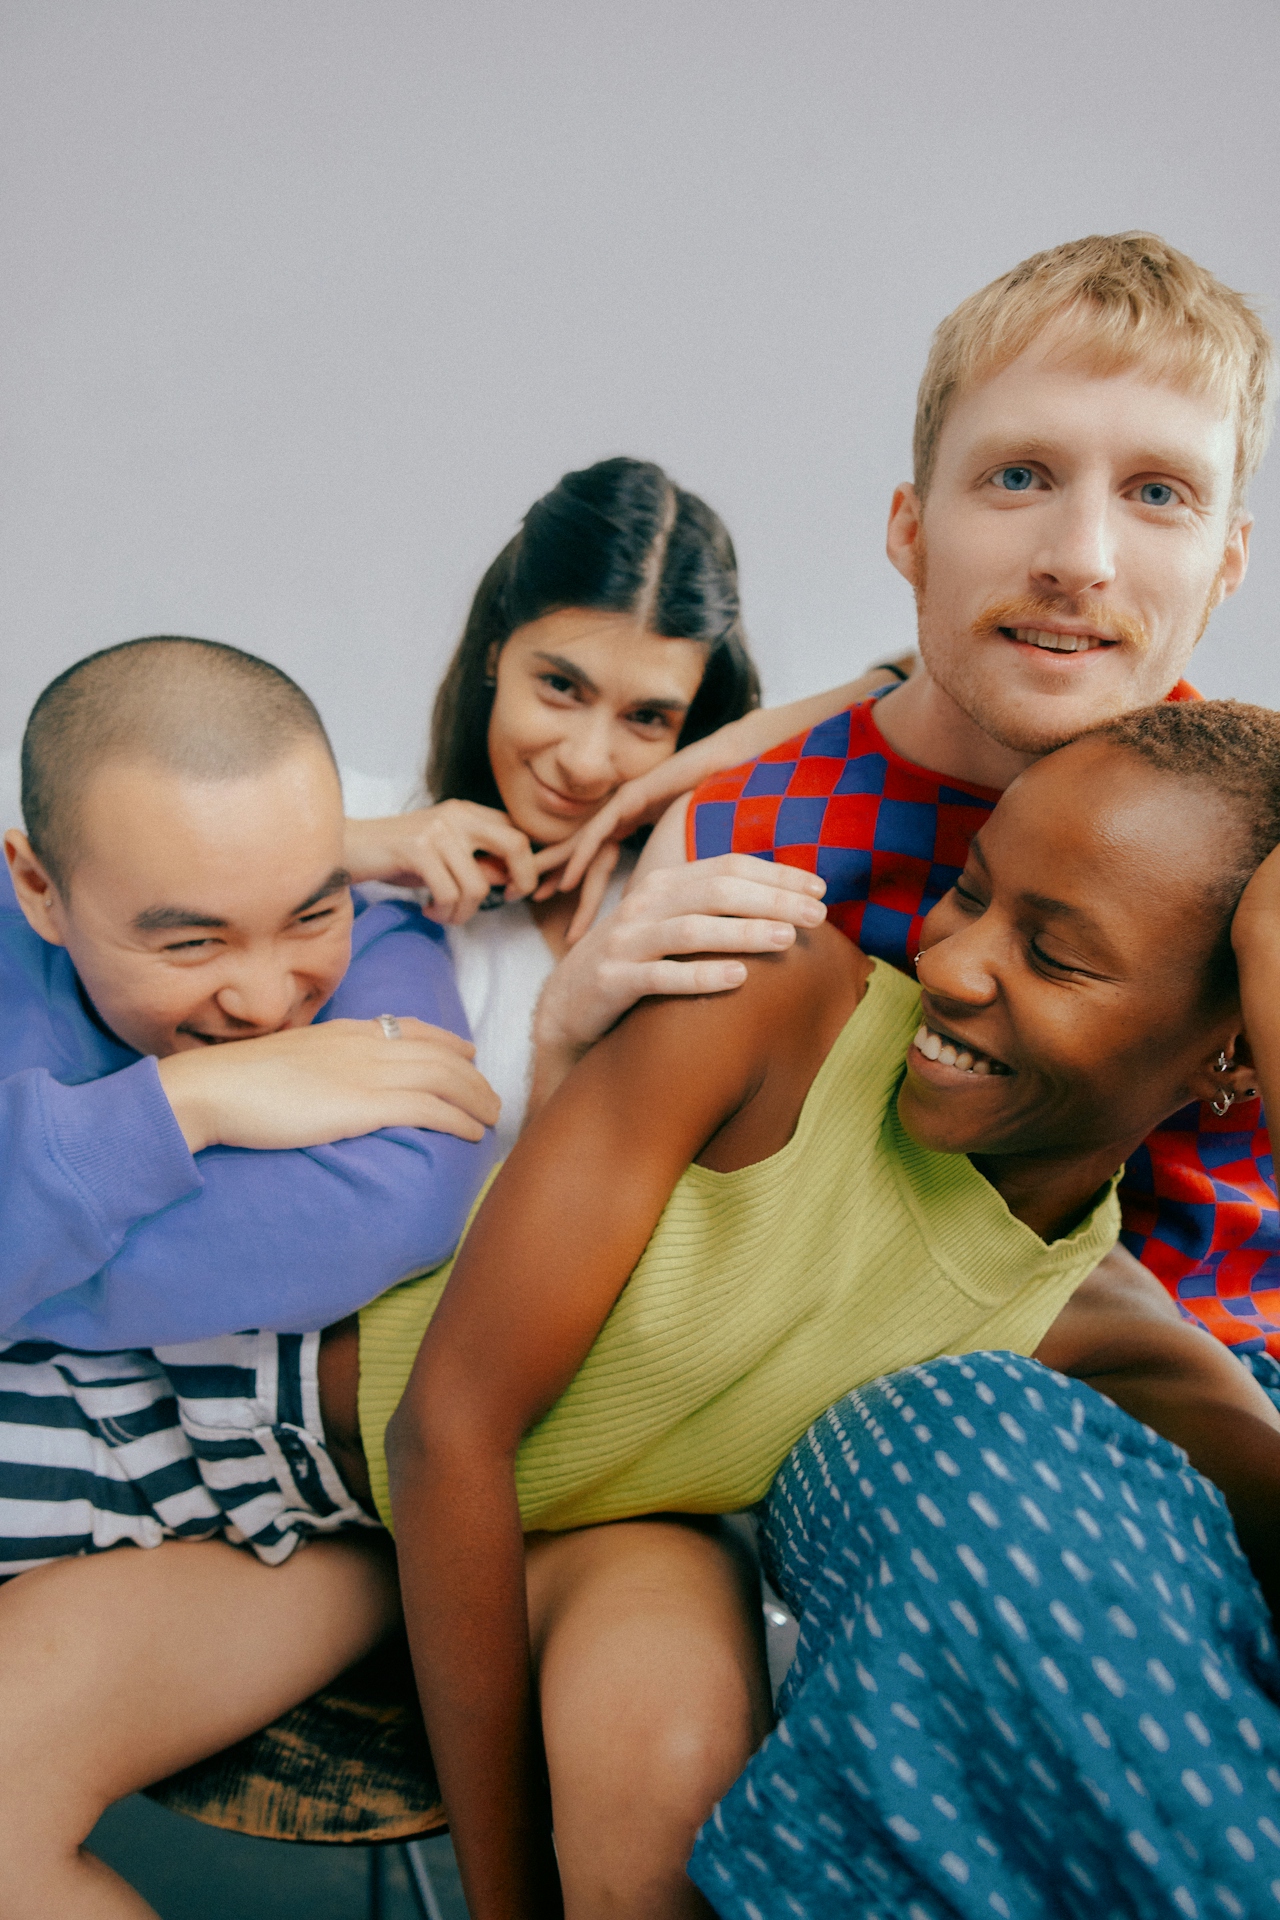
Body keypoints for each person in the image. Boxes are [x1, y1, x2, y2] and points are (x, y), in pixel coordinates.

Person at [353, 702, 1278, 1916]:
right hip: (272, 1437)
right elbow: (448, 1429)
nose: (946, 962)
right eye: (967, 891)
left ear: (1230, 1056)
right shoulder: (774, 1006)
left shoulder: (1096, 1323)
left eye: (1053, 956)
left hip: (530, 1527)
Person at [551, 232, 1280, 1356]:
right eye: (1017, 476)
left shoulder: (1261, 818)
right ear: (909, 529)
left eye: (1155, 492)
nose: (1077, 557)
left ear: (1224, 567)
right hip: (901, 1425)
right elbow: (605, 1262)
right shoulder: (740, 838)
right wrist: (559, 1041)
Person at [337, 455, 910, 1151]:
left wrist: (729, 750)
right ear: (494, 651)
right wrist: (348, 846)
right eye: (559, 686)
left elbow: (927, 675)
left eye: (647, 718)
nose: (584, 761)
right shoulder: (349, 823)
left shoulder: (682, 902)